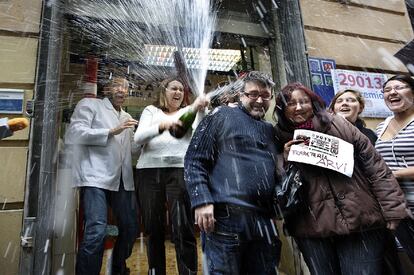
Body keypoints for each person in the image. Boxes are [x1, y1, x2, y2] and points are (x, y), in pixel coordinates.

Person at [274, 82, 408, 275]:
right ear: (282, 109)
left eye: (304, 101)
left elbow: (376, 167)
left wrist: (392, 209)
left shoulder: (337, 124)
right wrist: (286, 159)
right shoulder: (277, 137)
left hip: (359, 221)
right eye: (291, 103)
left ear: (314, 103)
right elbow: (274, 181)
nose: (299, 107)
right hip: (311, 227)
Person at [184, 71, 282, 274]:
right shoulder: (220, 115)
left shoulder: (269, 129)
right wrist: (201, 200)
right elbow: (194, 161)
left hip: (263, 221)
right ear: (240, 95)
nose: (259, 100)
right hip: (225, 220)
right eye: (253, 94)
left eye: (265, 95)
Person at [134, 76, 208, 275]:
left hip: (180, 171)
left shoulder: (188, 111)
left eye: (181, 90)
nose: (178, 93)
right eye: (173, 88)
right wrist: (163, 125)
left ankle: (188, 272)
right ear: (163, 91)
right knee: (153, 228)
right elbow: (138, 138)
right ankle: (156, 271)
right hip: (148, 172)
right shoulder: (151, 111)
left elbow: (200, 133)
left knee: (183, 228)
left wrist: (200, 109)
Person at [65, 76, 139, 275]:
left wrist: (149, 135)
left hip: (122, 180)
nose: (122, 90)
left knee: (131, 227)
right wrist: (110, 131)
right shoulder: (90, 104)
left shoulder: (126, 116)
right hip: (95, 177)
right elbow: (73, 134)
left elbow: (131, 150)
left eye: (125, 87)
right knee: (96, 232)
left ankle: (117, 268)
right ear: (107, 89)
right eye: (117, 86)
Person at [329, 88, 402, 274]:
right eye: (340, 101)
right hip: (336, 215)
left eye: (351, 100)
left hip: (371, 214)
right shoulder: (323, 134)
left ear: (360, 108)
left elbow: (382, 174)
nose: (345, 103)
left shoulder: (372, 137)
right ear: (332, 107)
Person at [375, 74, 414, 263]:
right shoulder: (382, 126)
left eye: (399, 87)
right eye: (387, 90)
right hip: (398, 206)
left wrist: (392, 174)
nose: (392, 92)